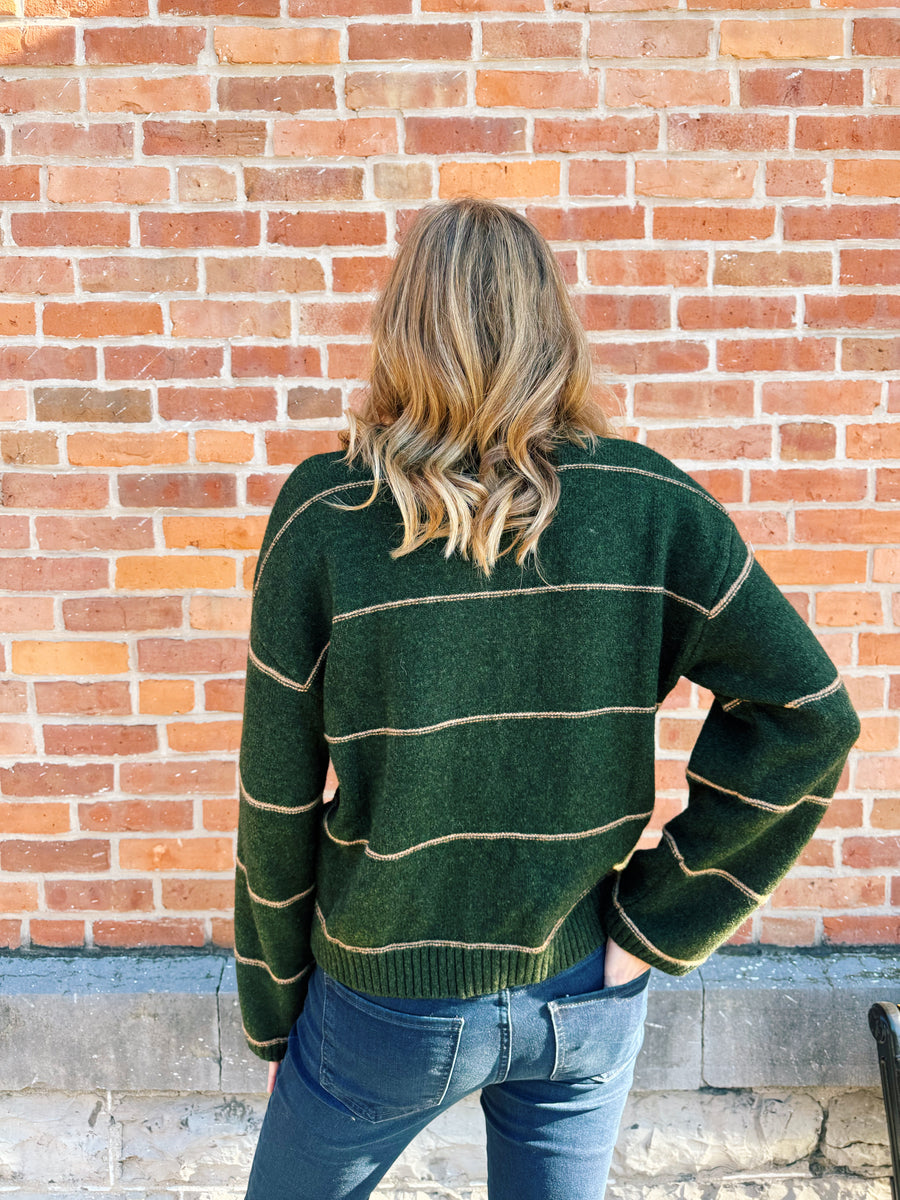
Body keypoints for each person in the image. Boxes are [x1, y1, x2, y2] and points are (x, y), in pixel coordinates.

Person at [234, 196, 861, 1200]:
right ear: (552, 323)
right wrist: (652, 928)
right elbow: (810, 715)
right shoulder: (649, 502)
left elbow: (273, 798)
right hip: (584, 995)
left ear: (401, 327)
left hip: (384, 1006)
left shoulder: (328, 513)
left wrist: (273, 1016)